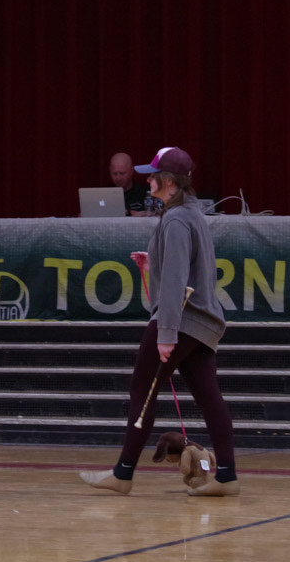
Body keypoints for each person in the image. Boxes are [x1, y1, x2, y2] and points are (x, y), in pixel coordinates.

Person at [80, 147, 239, 497]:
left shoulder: (177, 219)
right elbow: (186, 266)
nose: (147, 179)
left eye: (152, 175)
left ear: (168, 182)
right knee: (209, 397)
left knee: (142, 392)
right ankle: (227, 476)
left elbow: (176, 281)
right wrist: (155, 263)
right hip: (201, 321)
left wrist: (166, 333)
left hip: (181, 320)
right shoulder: (190, 213)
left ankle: (123, 473)